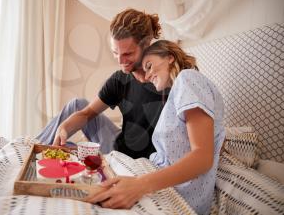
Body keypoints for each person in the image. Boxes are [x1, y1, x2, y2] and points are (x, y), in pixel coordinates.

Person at [86, 40, 225, 215]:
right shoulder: (178, 94)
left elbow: (203, 157)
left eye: (149, 66)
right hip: (157, 175)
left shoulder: (188, 78)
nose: (146, 76)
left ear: (170, 58)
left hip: (178, 194)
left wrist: (140, 185)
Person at [36, 8, 169, 159]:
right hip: (119, 143)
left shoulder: (167, 79)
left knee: (73, 151)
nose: (120, 61)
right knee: (77, 105)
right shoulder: (119, 80)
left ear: (146, 45)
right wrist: (64, 127)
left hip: (133, 159)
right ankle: (32, 151)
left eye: (127, 54)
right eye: (115, 53)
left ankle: (37, 152)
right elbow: (86, 114)